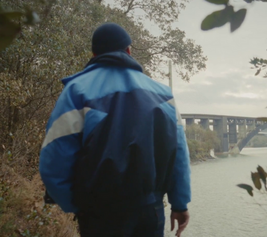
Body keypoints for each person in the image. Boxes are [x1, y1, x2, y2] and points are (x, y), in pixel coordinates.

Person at [39, 22, 191, 237]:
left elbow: (54, 159)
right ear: (129, 50)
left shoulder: (77, 91)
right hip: (151, 211)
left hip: (99, 213)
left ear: (94, 53)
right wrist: (180, 203)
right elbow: (179, 155)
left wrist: (76, 204)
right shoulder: (164, 95)